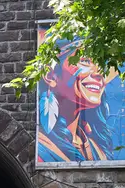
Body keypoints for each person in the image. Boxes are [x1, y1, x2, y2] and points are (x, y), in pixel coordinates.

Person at [36, 31, 114, 163]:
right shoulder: (41, 148)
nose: (99, 73)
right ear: (50, 75)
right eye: (85, 61)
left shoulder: (97, 149)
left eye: (101, 65)